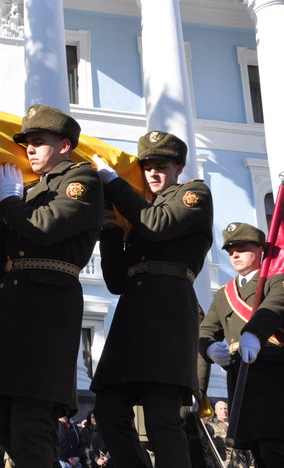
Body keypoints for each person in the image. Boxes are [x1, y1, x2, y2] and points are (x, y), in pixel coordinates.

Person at [0, 104, 104, 468]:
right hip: (13, 306)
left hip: (48, 307)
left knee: (31, 421)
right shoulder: (29, 191)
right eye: (26, 142)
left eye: (39, 141)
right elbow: (6, 255)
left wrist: (10, 202)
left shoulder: (81, 180)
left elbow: (45, 227)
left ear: (64, 145)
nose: (29, 148)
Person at [91, 130, 214, 468]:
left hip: (168, 314)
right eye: (147, 167)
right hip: (133, 316)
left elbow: (156, 225)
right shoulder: (139, 209)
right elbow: (116, 281)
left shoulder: (194, 194)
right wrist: (110, 227)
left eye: (162, 166)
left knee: (162, 420)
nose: (153, 174)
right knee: (108, 409)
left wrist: (115, 184)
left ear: (179, 167)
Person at [200, 222, 284, 468]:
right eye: (229, 250)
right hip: (242, 381)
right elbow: (206, 329)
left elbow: (275, 307)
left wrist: (254, 333)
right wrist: (208, 348)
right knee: (258, 451)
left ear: (260, 250)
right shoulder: (224, 293)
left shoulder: (276, 281)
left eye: (241, 248)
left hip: (275, 377)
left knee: (275, 448)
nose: (234, 255)